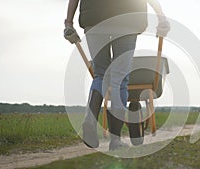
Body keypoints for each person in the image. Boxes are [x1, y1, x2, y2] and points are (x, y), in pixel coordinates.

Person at [64, 0, 170, 150]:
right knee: (119, 78)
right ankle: (115, 140)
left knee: (100, 74)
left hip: (94, 19)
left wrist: (69, 23)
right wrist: (162, 18)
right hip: (126, 19)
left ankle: (90, 120)